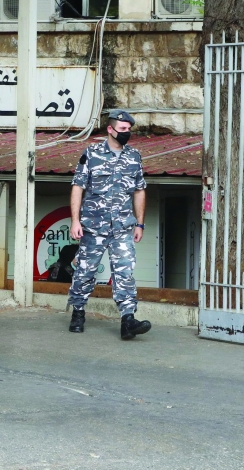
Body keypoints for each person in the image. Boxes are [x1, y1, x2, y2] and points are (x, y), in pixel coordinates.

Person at [67, 109, 152, 340]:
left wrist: (140, 224)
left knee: (125, 272)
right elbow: (78, 187)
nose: (127, 133)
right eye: (123, 129)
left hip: (122, 227)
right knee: (85, 271)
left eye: (129, 130)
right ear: (111, 129)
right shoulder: (91, 153)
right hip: (93, 227)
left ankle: (128, 320)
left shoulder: (134, 156)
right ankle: (78, 311)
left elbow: (139, 190)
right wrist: (75, 220)